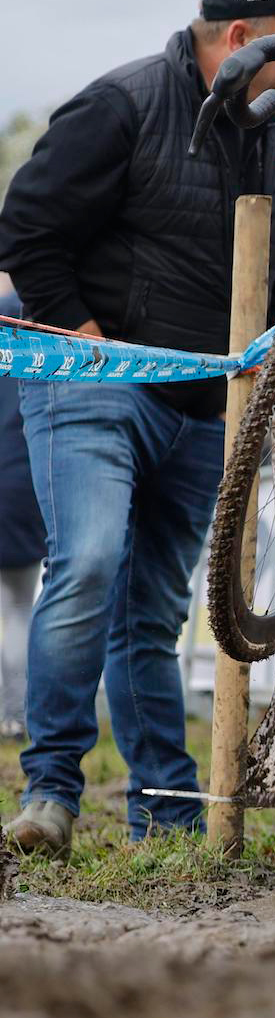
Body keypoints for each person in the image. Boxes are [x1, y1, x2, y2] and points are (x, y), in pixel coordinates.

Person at [0, 0, 275, 852]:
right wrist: (76, 329)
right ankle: (51, 794)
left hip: (204, 414)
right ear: (239, 38)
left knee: (152, 611)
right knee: (86, 564)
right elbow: (25, 230)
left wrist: (267, 391)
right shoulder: (121, 106)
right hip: (96, 389)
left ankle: (165, 807)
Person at [0, 281, 47, 740]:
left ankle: (13, 710)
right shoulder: (39, 315)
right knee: (17, 607)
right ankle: (15, 714)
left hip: (12, 481)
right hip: (19, 480)